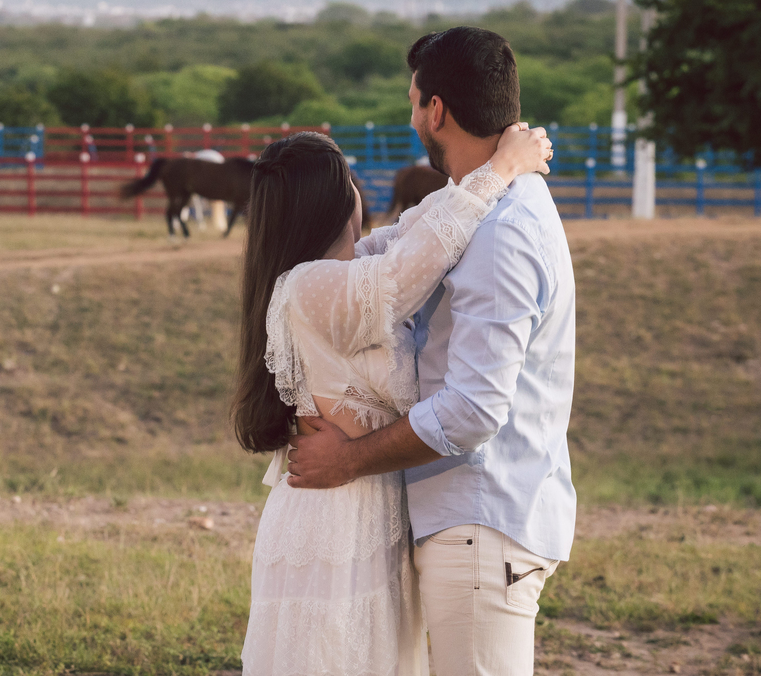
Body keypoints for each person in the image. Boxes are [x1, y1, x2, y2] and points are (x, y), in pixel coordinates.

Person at [285, 27, 577, 676]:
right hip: (471, 518)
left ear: (435, 110)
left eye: (414, 101)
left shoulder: (502, 233)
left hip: (481, 518)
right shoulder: (487, 208)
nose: (412, 115)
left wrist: (348, 460)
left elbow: (473, 409)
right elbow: (407, 243)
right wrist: (500, 165)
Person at [233, 116, 553, 673]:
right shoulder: (312, 286)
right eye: (351, 178)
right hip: (334, 517)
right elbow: (411, 267)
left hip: (365, 506)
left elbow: (420, 226)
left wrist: (490, 167)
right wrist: (502, 167)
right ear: (333, 200)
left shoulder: (348, 270)